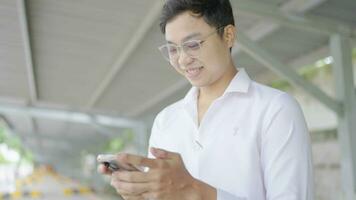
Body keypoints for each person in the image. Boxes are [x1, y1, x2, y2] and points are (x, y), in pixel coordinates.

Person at [98, 0, 314, 199]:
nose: (182, 60)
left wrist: (193, 190)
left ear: (228, 35)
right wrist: (140, 193)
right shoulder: (165, 121)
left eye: (192, 44)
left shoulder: (275, 109)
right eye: (173, 49)